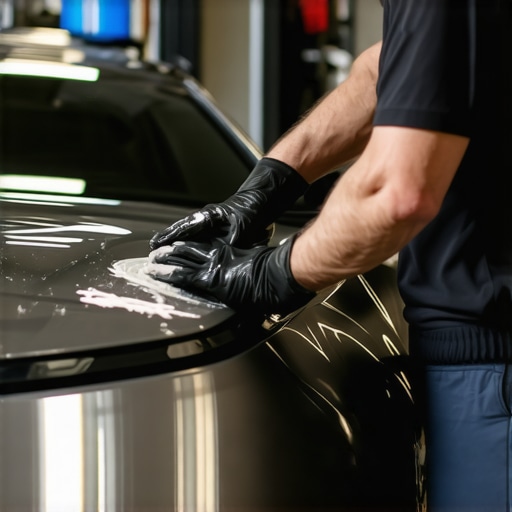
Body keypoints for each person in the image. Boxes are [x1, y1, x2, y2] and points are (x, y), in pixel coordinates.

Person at [148, 0, 512, 509]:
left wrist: (272, 275)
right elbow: (386, 70)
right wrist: (267, 185)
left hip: (494, 368)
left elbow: (396, 193)